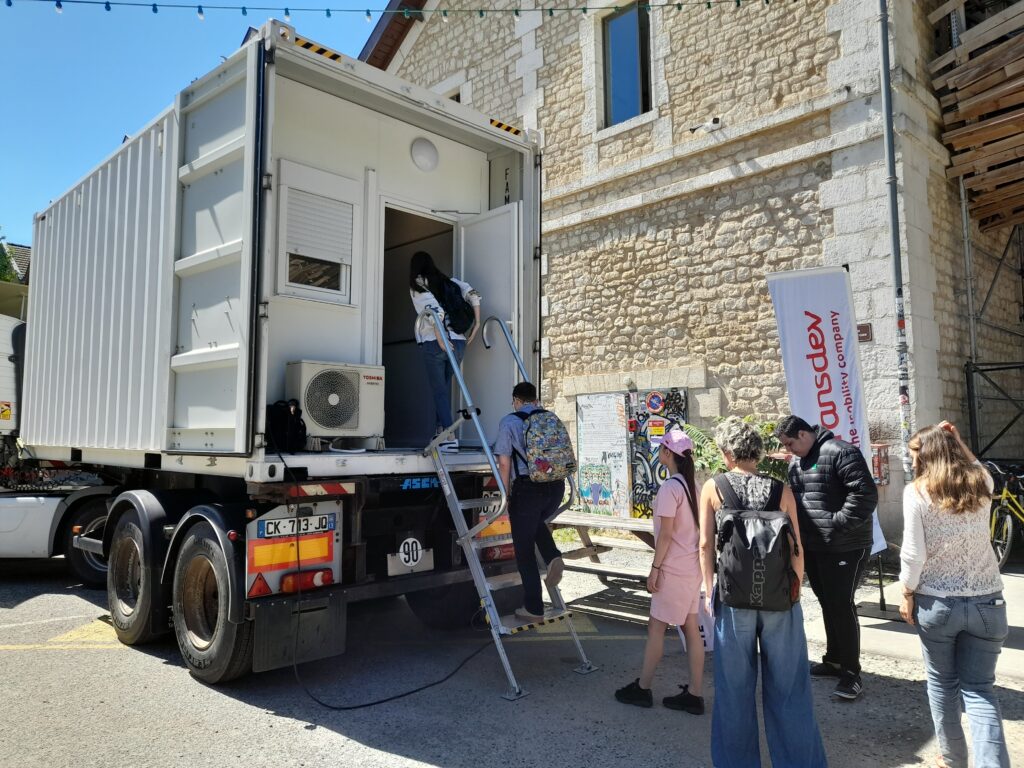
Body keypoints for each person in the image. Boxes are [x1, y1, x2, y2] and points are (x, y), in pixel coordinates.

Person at [700, 417, 827, 768]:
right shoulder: (781, 490)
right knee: (790, 691)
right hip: (779, 597)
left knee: (734, 693)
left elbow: (704, 545)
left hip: (733, 599)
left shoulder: (715, 487)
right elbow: (796, 547)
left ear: (728, 453)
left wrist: (708, 590)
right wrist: (795, 590)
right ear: (757, 452)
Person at [899, 422, 1009, 768]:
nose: (911, 459)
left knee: (943, 686)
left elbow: (913, 554)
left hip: (937, 603)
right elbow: (976, 466)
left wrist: (906, 591)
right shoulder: (981, 483)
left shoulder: (916, 492)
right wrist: (958, 440)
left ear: (927, 455)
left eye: (915, 453)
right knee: (980, 690)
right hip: (987, 603)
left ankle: (952, 759)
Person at [775, 414, 878, 700]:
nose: (789, 450)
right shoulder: (797, 460)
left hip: (846, 546)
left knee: (841, 604)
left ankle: (852, 674)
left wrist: (836, 524)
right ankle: (834, 659)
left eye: (790, 443)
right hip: (816, 546)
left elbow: (865, 495)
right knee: (826, 601)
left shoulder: (841, 452)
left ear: (804, 435)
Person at [615, 428, 705, 714]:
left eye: (661, 448)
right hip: (691, 568)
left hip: (673, 569)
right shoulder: (694, 487)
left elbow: (665, 536)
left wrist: (655, 569)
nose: (658, 453)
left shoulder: (670, 488)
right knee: (691, 629)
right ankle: (694, 693)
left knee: (656, 628)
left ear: (668, 453)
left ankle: (643, 688)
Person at [493, 382, 565, 621]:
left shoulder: (509, 422)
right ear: (534, 399)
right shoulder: (549, 416)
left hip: (528, 489)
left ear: (516, 400)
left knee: (523, 551)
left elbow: (504, 463)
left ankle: (533, 608)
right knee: (534, 525)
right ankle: (553, 555)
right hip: (555, 487)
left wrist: (505, 496)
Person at [409, 251, 481, 452]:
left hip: (436, 342)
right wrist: (477, 322)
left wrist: (440, 337)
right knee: (444, 389)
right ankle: (442, 431)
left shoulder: (417, 285)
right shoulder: (448, 281)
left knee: (439, 390)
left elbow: (433, 312)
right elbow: (472, 294)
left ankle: (449, 435)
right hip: (458, 343)